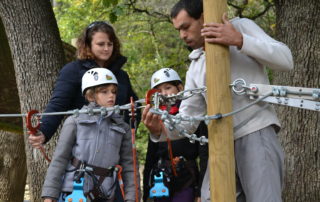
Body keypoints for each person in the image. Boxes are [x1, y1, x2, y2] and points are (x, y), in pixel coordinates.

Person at [142, 0, 294, 202]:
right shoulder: (196, 65)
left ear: (204, 17)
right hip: (219, 145)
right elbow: (188, 121)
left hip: (256, 133)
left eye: (186, 27)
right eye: (178, 30)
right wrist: (159, 130)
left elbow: (286, 60)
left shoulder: (241, 27)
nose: (182, 36)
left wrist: (239, 40)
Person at [28, 21, 140, 148]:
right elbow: (57, 105)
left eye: (110, 44)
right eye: (101, 44)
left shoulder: (121, 76)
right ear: (88, 44)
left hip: (115, 145)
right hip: (82, 145)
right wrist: (43, 132)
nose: (106, 48)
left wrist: (126, 134)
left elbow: (134, 106)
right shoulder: (72, 71)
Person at [42, 68, 140, 202]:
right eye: (104, 92)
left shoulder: (122, 128)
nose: (111, 96)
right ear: (91, 96)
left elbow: (130, 166)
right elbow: (59, 160)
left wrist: (132, 198)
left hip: (104, 193)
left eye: (114, 91)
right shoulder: (75, 121)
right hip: (73, 192)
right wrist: (50, 195)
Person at [142, 68, 208, 202]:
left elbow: (204, 156)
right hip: (160, 180)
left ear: (180, 88)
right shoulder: (156, 119)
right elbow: (150, 158)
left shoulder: (192, 117)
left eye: (168, 87)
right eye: (159, 91)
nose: (164, 94)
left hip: (187, 179)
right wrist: (146, 193)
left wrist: (200, 190)